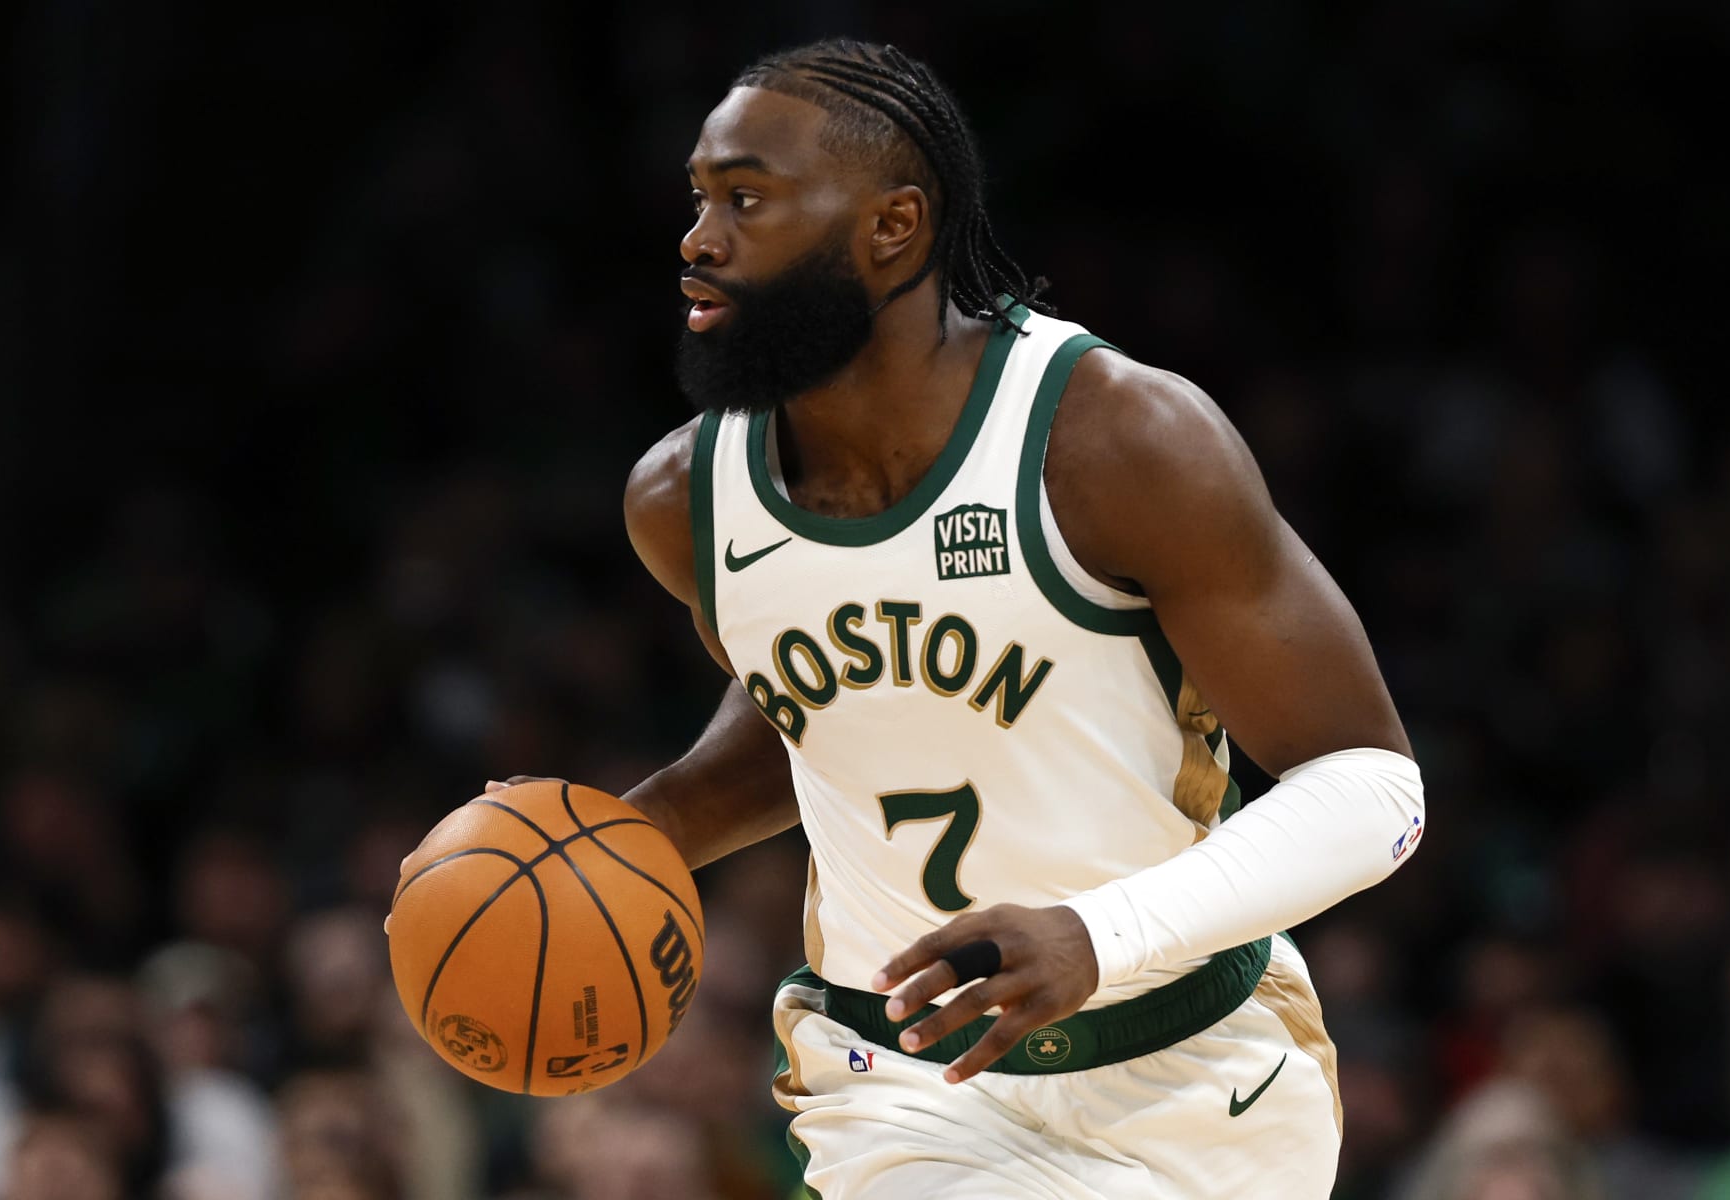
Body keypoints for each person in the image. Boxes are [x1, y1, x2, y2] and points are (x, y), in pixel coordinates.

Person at [487, 36, 1426, 1198]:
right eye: (697, 198)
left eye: (747, 199)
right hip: (907, 1093)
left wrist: (1095, 936)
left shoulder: (1114, 441)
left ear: (893, 228)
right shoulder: (685, 503)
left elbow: (1376, 790)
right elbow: (824, 717)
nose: (698, 240)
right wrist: (638, 830)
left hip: (1197, 1078)